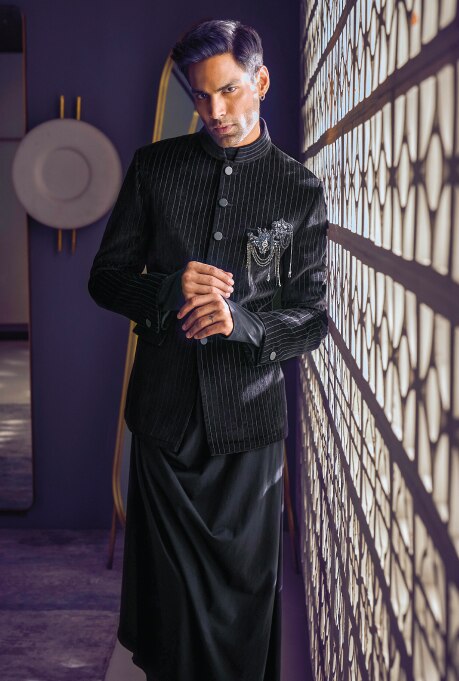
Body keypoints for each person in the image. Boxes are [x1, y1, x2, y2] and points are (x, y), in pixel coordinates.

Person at [87, 18, 329, 681]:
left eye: (228, 91)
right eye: (199, 95)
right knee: (169, 618)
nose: (214, 111)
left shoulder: (298, 189)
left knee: (242, 612)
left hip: (248, 433)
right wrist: (167, 289)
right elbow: (104, 280)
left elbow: (311, 318)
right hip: (164, 425)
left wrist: (241, 323)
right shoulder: (154, 169)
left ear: (261, 81)